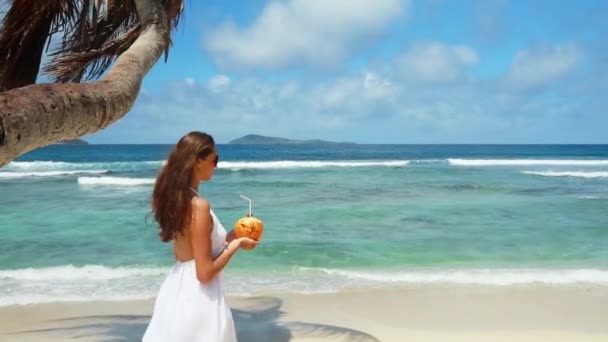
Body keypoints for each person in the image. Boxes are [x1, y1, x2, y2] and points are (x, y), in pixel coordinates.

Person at [143, 131, 258, 341]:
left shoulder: (179, 200)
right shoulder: (199, 206)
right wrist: (238, 244)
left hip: (176, 290)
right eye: (215, 159)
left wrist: (232, 236)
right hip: (199, 298)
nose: (216, 165)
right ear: (198, 160)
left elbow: (185, 254)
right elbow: (204, 273)